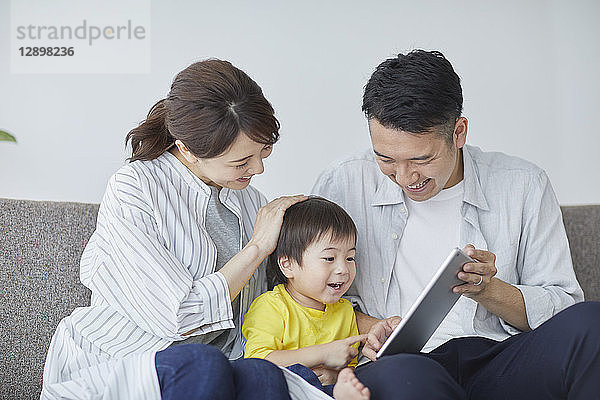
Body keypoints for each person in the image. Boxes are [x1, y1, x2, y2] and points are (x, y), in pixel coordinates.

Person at [312, 50, 600, 399]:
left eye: (422, 159)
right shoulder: (343, 182)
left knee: (591, 324)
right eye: (385, 159)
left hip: (500, 358)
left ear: (459, 132)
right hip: (403, 363)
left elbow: (562, 306)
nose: (404, 177)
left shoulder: (523, 183)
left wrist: (489, 290)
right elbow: (306, 296)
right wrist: (377, 328)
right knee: (406, 376)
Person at [41, 59, 311, 400]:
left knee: (263, 374)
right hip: (125, 362)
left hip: (220, 365)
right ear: (186, 148)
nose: (257, 169)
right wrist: (256, 248)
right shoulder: (135, 188)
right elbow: (178, 316)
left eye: (264, 152)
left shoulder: (249, 200)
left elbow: (285, 298)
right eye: (241, 162)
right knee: (203, 363)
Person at [242, 197, 370, 400]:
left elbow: (348, 363)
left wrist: (336, 375)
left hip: (326, 391)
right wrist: (322, 354)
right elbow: (258, 362)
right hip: (283, 391)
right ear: (288, 265)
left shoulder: (345, 310)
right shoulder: (272, 306)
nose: (343, 269)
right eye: (329, 258)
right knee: (297, 375)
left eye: (350, 258)